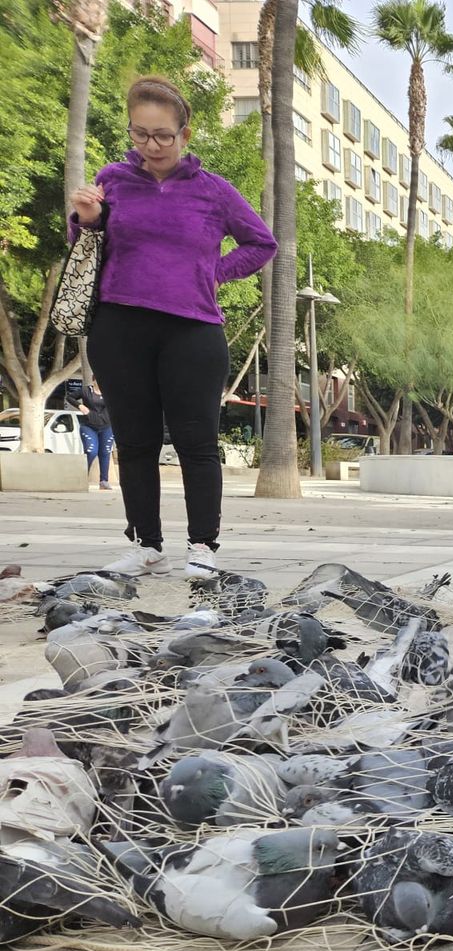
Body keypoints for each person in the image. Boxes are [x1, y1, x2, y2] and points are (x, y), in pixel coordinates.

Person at [67, 75, 276, 578]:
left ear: (185, 134)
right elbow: (84, 242)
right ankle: (146, 544)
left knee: (196, 442)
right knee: (134, 441)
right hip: (119, 325)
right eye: (140, 134)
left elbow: (260, 243)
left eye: (162, 135)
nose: (151, 146)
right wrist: (88, 217)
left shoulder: (214, 191)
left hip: (193, 330)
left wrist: (211, 273)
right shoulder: (113, 179)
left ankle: (202, 546)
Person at [70, 378, 114, 490]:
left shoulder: (111, 391)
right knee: (91, 451)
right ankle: (82, 479)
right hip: (89, 426)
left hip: (107, 427)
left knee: (105, 452)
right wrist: (80, 406)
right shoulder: (86, 391)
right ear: (93, 380)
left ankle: (104, 481)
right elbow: (69, 397)